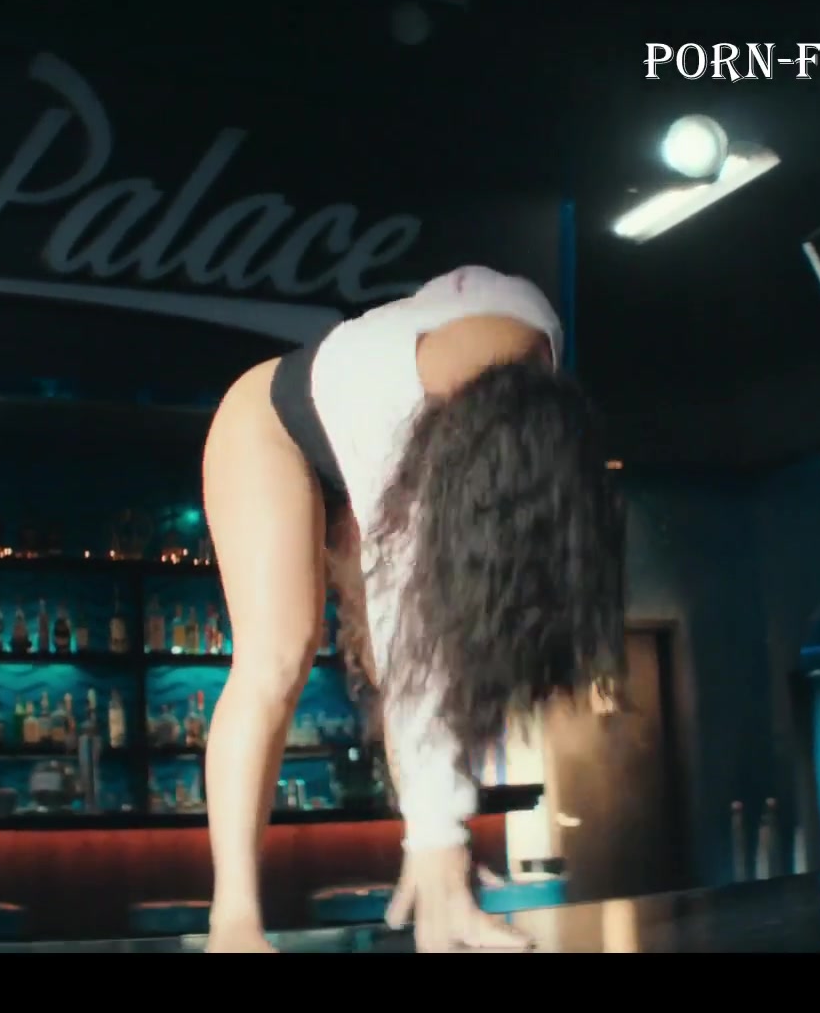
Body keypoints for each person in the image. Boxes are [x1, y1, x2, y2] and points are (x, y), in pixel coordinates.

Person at [200, 265, 626, 953]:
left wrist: (440, 840)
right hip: (270, 426)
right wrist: (438, 839)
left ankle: (443, 894)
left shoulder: (539, 369)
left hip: (404, 419)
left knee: (442, 644)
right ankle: (232, 924)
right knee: (277, 659)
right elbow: (411, 633)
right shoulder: (392, 403)